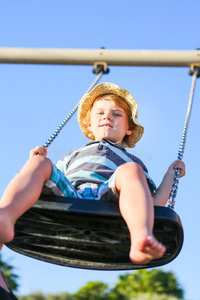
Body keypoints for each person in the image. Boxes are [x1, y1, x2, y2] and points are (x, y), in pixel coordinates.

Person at [0, 82, 185, 264]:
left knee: (132, 171)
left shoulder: (134, 162)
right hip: (70, 195)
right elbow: (41, 181)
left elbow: (152, 203)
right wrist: (33, 163)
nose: (107, 117)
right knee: (40, 163)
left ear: (129, 128)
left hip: (110, 198)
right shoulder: (71, 155)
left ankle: (141, 237)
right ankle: (6, 216)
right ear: (89, 125)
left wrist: (171, 175)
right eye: (100, 113)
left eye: (117, 114)